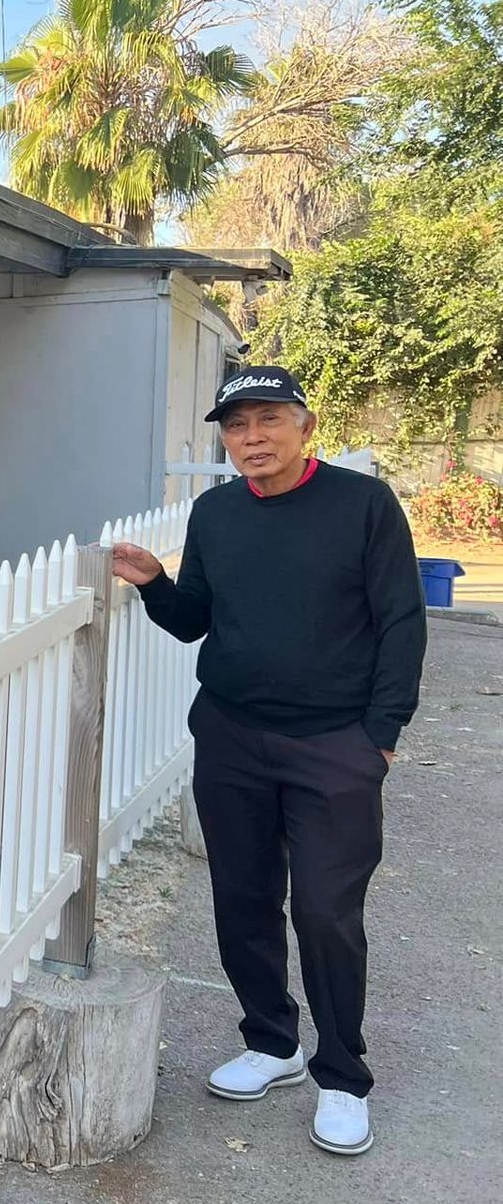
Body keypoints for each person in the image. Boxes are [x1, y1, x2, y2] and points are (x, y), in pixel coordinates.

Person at [113, 365, 425, 1158]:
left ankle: (342, 1077)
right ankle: (272, 1041)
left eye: (268, 420)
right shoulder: (216, 513)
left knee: (325, 910)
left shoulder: (363, 506)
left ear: (305, 426)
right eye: (236, 425)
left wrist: (380, 737)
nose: (252, 438)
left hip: (335, 746)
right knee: (243, 897)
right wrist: (154, 584)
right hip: (231, 737)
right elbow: (195, 621)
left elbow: (401, 622)